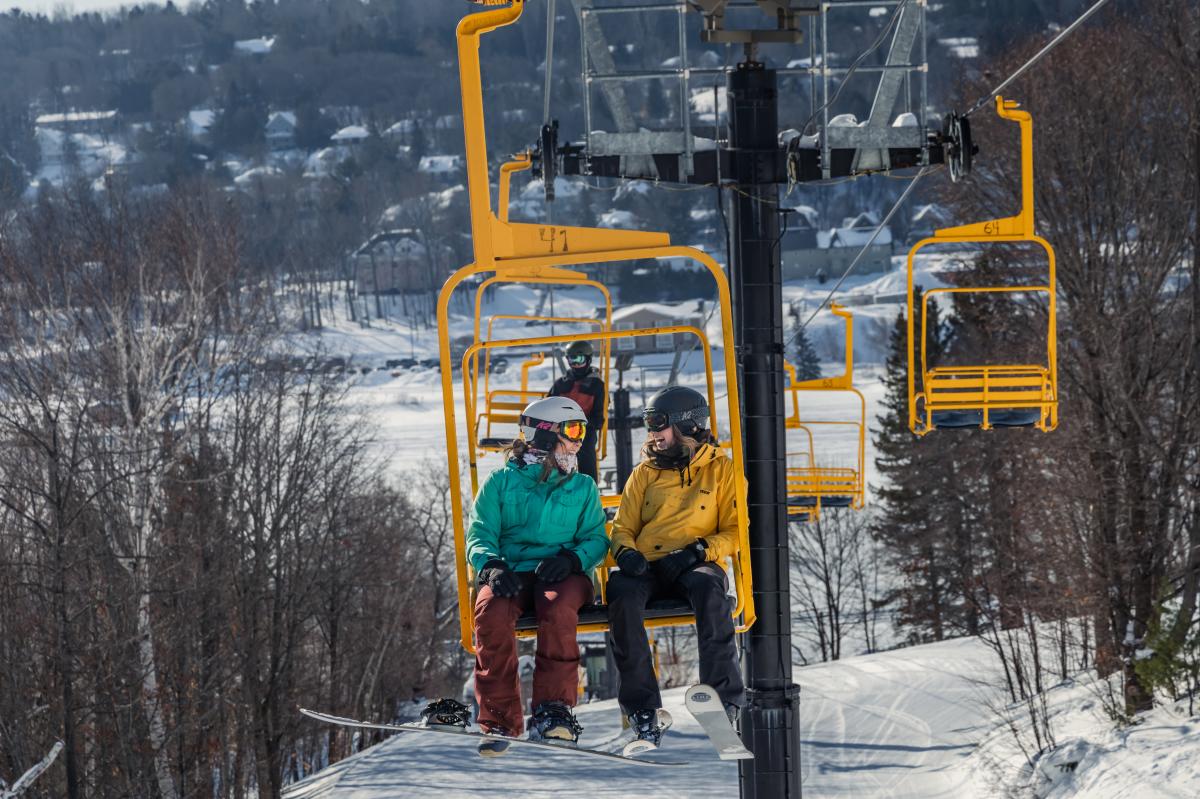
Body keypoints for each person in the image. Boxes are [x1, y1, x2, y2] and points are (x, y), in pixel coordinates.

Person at [464, 396, 608, 756]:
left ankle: (553, 712)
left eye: (582, 432)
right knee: (490, 614)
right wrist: (491, 566)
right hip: (511, 572)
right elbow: (480, 534)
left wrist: (574, 560)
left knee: (557, 611)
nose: (579, 441)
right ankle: (499, 719)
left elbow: (597, 537)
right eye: (573, 431)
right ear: (543, 435)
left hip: (562, 574)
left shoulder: (582, 487)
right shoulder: (500, 483)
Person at [606, 385, 746, 748]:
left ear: (687, 425)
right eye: (649, 425)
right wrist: (626, 554)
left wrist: (700, 551)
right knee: (620, 593)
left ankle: (724, 699)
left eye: (658, 424)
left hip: (694, 561)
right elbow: (623, 527)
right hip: (648, 565)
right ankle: (642, 709)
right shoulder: (645, 473)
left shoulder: (722, 471)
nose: (652, 434)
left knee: (709, 590)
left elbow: (735, 530)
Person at [548, 340, 605, 483]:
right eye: (571, 359)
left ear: (588, 359)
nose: (575, 364)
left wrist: (580, 426)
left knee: (586, 448)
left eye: (579, 359)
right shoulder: (561, 383)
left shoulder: (596, 384)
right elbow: (547, 406)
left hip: (584, 430)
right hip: (559, 430)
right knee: (547, 448)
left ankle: (589, 487)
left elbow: (598, 417)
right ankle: (551, 483)